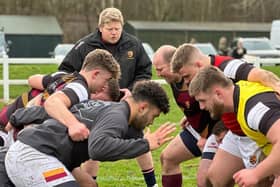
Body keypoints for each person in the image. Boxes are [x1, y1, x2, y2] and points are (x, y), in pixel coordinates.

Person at [4, 80, 176, 187]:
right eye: (154, 116)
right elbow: (98, 148)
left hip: (40, 153)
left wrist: (17, 117)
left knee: (89, 184)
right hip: (35, 157)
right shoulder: (117, 116)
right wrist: (145, 144)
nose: (152, 122)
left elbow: (50, 112)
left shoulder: (107, 107)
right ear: (143, 107)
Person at [57, 8, 156, 186]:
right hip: (96, 104)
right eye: (110, 28)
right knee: (95, 142)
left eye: (117, 28)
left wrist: (132, 91)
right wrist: (87, 91)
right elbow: (65, 72)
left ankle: (152, 183)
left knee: (138, 138)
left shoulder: (133, 44)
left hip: (126, 102)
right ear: (100, 27)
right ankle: (91, 183)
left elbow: (145, 71)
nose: (114, 32)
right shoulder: (85, 45)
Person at [171, 43, 280, 186]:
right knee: (213, 178)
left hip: (256, 132)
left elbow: (261, 75)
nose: (186, 81)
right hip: (243, 132)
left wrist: (257, 173)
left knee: (258, 180)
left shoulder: (252, 106)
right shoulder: (234, 95)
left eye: (186, 76)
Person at [153, 45, 218, 187]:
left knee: (207, 180)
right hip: (197, 130)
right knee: (168, 158)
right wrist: (189, 116)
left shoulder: (198, 76)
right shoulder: (173, 80)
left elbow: (217, 108)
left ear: (173, 64)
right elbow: (191, 105)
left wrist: (205, 137)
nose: (158, 74)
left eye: (160, 69)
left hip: (217, 132)